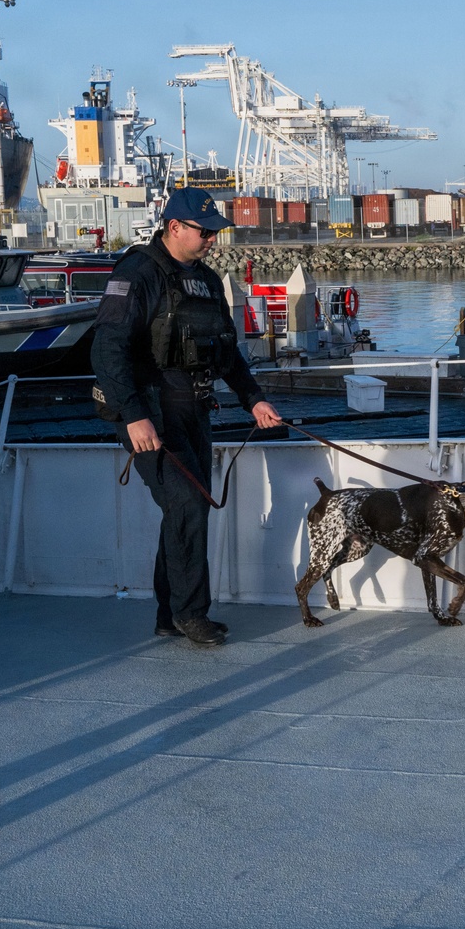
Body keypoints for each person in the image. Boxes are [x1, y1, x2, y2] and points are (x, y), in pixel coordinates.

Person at [91, 188, 282, 646]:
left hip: (194, 410)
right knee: (187, 504)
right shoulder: (137, 274)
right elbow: (107, 348)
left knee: (184, 512)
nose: (213, 239)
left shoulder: (208, 281)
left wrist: (252, 398)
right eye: (205, 231)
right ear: (174, 227)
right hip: (150, 413)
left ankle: (168, 614)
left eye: (216, 231)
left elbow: (227, 350)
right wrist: (134, 416)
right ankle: (190, 614)